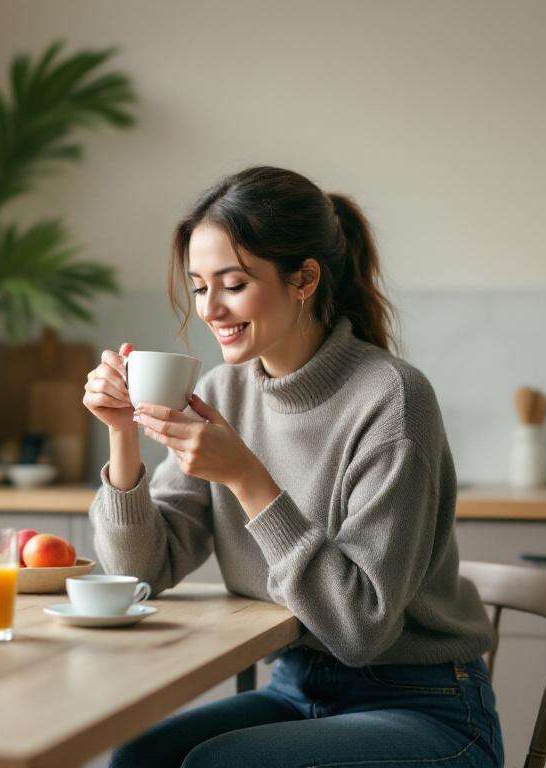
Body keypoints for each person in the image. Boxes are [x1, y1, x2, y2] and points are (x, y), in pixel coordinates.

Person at [82, 166, 502, 767]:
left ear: (304, 279)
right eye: (200, 287)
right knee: (138, 758)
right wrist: (122, 438)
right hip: (296, 689)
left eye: (232, 284)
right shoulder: (223, 392)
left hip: (425, 707)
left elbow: (360, 629)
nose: (211, 309)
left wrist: (248, 479)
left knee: (218, 765)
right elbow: (139, 571)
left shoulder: (392, 399)